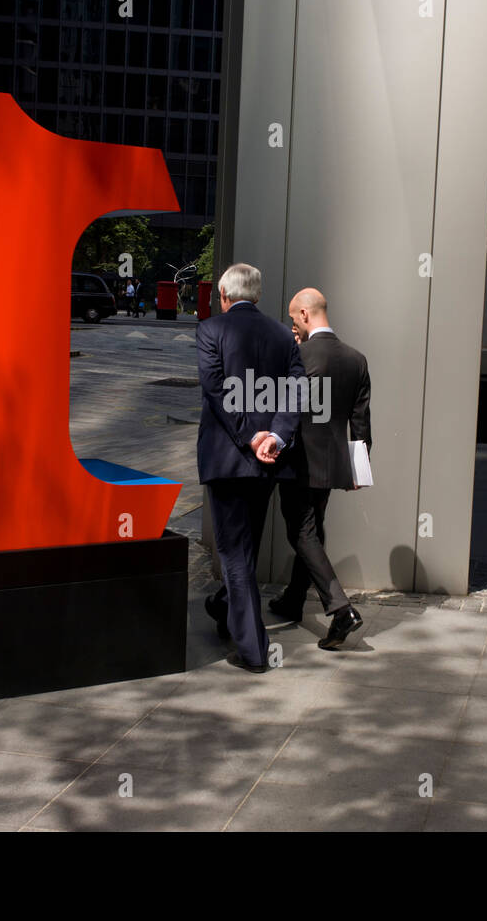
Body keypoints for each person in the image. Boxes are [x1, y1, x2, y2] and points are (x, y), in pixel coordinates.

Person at [197, 263, 304, 673]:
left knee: (235, 554)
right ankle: (223, 606)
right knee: (245, 549)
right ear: (257, 296)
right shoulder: (283, 334)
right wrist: (273, 437)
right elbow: (298, 389)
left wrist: (248, 437)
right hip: (267, 463)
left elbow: (218, 389)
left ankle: (253, 650)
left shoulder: (211, 330)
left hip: (228, 459)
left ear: (224, 296)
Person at [269, 288, 372, 650]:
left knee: (301, 530)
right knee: (313, 528)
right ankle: (293, 599)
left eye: (293, 318)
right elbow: (361, 423)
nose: (292, 325)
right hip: (332, 464)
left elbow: (288, 411)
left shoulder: (300, 355)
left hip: (299, 460)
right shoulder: (356, 359)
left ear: (305, 314)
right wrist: (358, 470)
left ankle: (341, 609)